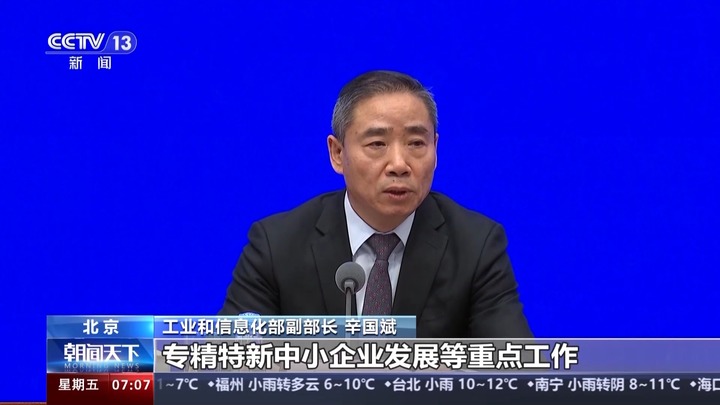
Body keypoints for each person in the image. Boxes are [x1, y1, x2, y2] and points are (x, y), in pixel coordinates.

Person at [219, 70, 533, 338]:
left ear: (435, 148)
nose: (399, 164)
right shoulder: (277, 245)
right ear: (337, 153)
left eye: (416, 143)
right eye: (377, 144)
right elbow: (230, 364)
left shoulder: (475, 245)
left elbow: (514, 368)